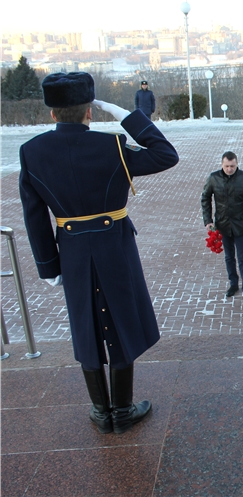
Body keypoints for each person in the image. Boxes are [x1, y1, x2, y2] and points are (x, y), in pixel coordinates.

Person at [19, 72, 179, 434]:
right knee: (121, 318)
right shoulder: (112, 146)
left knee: (84, 323)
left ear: (53, 114)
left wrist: (48, 265)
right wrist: (128, 115)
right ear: (90, 112)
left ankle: (101, 410)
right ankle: (122, 410)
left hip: (72, 249)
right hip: (114, 246)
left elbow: (34, 215)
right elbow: (166, 155)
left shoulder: (31, 151)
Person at [201, 151, 243, 304]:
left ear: (237, 164)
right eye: (227, 166)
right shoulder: (213, 178)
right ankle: (233, 284)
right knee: (229, 257)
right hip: (222, 225)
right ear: (222, 165)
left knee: (242, 259)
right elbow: (205, 198)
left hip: (241, 226)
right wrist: (208, 220)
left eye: (232, 166)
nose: (229, 169)